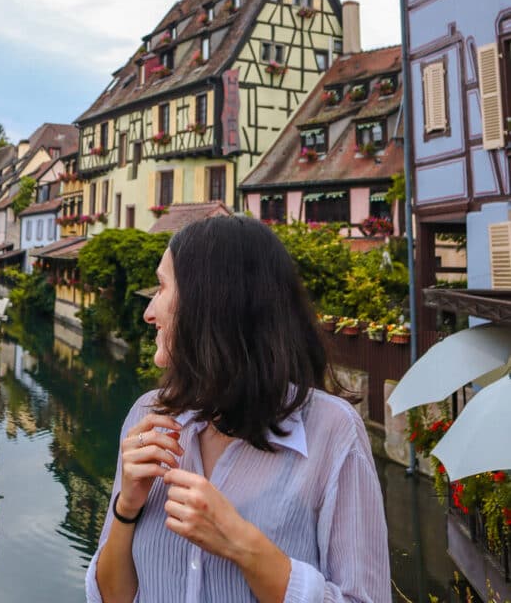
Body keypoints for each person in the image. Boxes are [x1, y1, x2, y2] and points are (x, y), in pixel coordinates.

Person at [86, 216, 391, 603]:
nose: (148, 312)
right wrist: (126, 507)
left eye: (162, 288)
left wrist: (243, 544)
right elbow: (113, 598)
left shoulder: (332, 431)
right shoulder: (148, 415)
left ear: (212, 303)